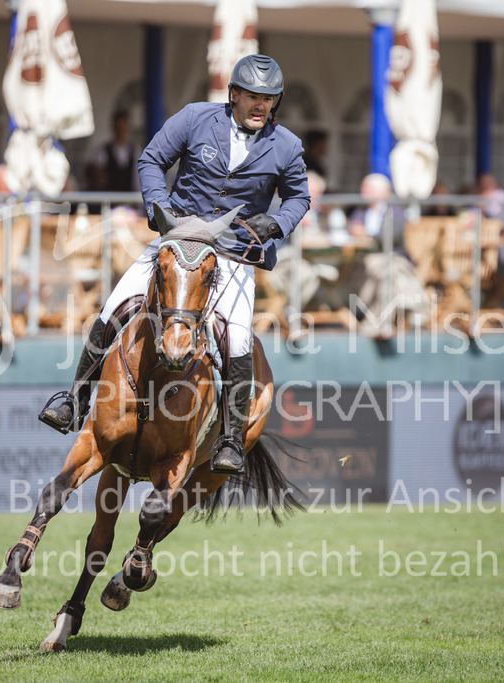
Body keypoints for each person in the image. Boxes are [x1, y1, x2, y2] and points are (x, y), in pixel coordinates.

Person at [39, 53, 310, 473]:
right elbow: (151, 161)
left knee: (238, 341)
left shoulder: (287, 146)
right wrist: (159, 208)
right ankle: (73, 400)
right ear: (233, 94)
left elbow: (299, 198)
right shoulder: (195, 118)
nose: (261, 105)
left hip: (234, 254)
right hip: (178, 243)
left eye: (269, 98)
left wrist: (275, 223)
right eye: (253, 96)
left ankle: (231, 441)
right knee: (113, 308)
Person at [87, 109, 139, 193]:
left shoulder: (135, 152)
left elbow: (136, 180)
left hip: (129, 201)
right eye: (119, 127)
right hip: (109, 200)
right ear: (114, 128)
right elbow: (95, 178)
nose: (121, 131)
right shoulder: (103, 152)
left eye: (124, 127)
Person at [347, 173, 405, 247]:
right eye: (363, 188)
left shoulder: (394, 211)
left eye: (369, 189)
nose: (363, 193)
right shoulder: (361, 210)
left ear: (384, 192)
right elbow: (352, 227)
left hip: (390, 254)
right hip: (362, 252)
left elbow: (392, 236)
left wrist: (366, 234)